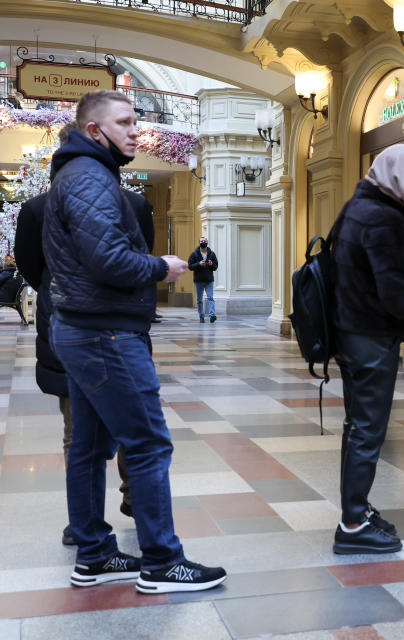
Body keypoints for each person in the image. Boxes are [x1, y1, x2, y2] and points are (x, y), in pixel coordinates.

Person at [42, 90, 226, 593]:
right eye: (123, 123)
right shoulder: (90, 178)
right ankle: (162, 562)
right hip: (105, 333)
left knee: (89, 446)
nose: (134, 132)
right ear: (94, 130)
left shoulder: (78, 174)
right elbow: (110, 262)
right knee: (147, 443)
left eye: (135, 122)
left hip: (84, 329)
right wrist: (160, 268)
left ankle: (94, 553)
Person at [14, 121, 158, 546]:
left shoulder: (126, 205)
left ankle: (90, 521)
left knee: (81, 431)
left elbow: (33, 272)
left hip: (74, 327)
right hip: (106, 328)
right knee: (130, 425)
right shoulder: (41, 210)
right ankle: (119, 510)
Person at [331, 143, 404, 554]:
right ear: (401, 178)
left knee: (356, 427)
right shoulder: (384, 219)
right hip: (372, 339)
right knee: (367, 431)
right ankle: (353, 524)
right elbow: (395, 296)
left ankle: (356, 510)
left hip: (349, 332)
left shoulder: (355, 209)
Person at [188, 236, 218, 323]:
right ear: (199, 243)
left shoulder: (212, 254)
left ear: (207, 242)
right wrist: (198, 264)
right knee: (199, 300)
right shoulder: (194, 254)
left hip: (209, 280)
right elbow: (190, 266)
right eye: (201, 241)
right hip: (198, 281)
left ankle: (212, 315)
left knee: (210, 298)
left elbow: (215, 267)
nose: (203, 242)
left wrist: (211, 264)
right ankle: (201, 316)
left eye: (204, 241)